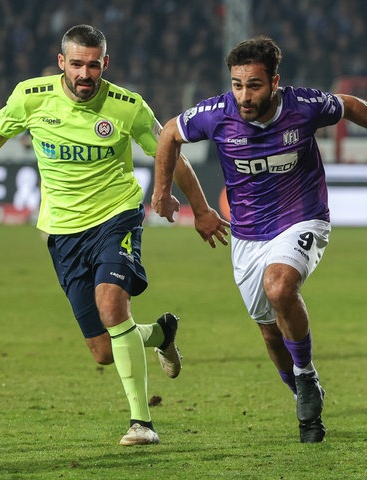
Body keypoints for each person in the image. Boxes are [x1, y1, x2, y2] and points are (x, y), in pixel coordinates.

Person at [0, 24, 220, 446]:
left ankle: (142, 423)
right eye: (76, 64)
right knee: (103, 350)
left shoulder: (128, 107)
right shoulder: (31, 97)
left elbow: (170, 150)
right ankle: (161, 334)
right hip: (63, 232)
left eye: (93, 65)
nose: (85, 73)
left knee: (113, 306)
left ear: (105, 64)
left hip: (117, 217)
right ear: (62, 63)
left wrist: (200, 209)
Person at [152, 35, 367, 443]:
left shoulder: (303, 106)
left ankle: (305, 376)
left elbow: (351, 105)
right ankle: (304, 393)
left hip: (303, 219)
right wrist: (164, 193)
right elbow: (168, 134)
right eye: (237, 84)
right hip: (248, 236)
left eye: (253, 85)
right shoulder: (217, 114)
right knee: (270, 332)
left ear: (274, 82)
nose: (243, 96)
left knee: (279, 285)